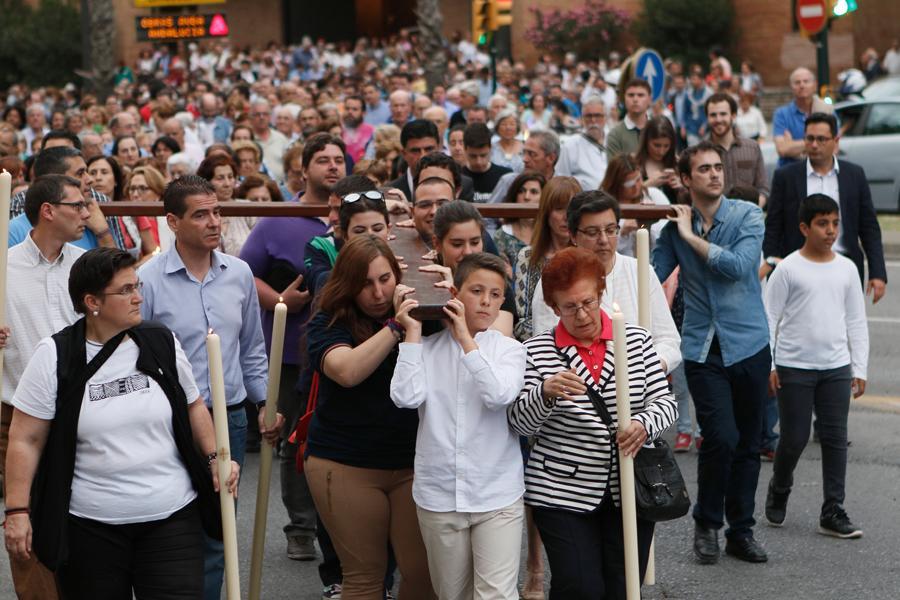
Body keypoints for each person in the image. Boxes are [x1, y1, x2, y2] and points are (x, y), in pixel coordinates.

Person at [4, 246, 238, 599]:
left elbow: (193, 407)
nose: (138, 298)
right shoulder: (55, 355)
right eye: (126, 290)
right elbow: (26, 439)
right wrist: (18, 510)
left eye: (137, 287)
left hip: (172, 517)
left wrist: (213, 459)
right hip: (90, 527)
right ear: (92, 301)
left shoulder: (160, 342)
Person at [507, 246, 676, 599]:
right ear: (554, 308)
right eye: (570, 307)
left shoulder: (636, 339)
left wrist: (643, 423)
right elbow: (520, 423)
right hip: (561, 489)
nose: (582, 314)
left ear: (601, 293)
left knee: (622, 586)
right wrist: (545, 393)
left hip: (631, 485)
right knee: (579, 587)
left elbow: (666, 404)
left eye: (588, 302)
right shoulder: (537, 351)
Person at [138, 176, 278, 599]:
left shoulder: (239, 273)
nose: (214, 222)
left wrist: (263, 403)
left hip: (228, 419)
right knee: (169, 529)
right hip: (170, 422)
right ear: (173, 222)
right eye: (201, 214)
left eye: (217, 212)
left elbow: (252, 348)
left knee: (219, 532)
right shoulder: (148, 280)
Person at [654, 141, 772, 565]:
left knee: (748, 444)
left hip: (749, 345)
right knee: (720, 438)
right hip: (703, 349)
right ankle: (707, 524)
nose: (714, 174)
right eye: (703, 169)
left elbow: (739, 267)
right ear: (686, 180)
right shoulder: (673, 229)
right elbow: (651, 277)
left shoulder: (747, 215)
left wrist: (690, 236)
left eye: (717, 167)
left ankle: (741, 531)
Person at [303, 235, 436, 600]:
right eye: (365, 284)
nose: (378, 293)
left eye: (384, 279)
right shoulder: (329, 320)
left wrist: (452, 289)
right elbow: (346, 371)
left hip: (413, 464)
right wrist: (395, 327)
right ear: (347, 285)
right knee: (365, 578)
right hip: (346, 462)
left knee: (425, 575)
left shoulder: (426, 314)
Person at [391, 252, 527, 600]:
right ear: (455, 293)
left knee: (496, 594)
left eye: (495, 295)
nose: (486, 301)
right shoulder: (427, 348)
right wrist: (413, 332)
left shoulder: (510, 350)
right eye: (477, 291)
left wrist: (467, 341)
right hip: (440, 496)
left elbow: (499, 394)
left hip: (496, 493)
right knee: (452, 595)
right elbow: (405, 397)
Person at [239, 134, 346, 562]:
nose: (333, 167)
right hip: (288, 351)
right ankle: (300, 527)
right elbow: (244, 273)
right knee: (290, 436)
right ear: (304, 170)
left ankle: (339, 527)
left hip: (346, 350)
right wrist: (278, 300)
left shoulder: (357, 218)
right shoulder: (276, 218)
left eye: (339, 159)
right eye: (323, 160)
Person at [0, 175, 89, 600]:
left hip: (84, 412)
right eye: (78, 205)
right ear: (48, 211)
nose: (87, 213)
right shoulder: (2, 266)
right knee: (24, 524)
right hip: (16, 413)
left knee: (87, 520)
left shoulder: (88, 265)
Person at [763, 194, 868, 539]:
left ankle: (833, 509)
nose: (830, 231)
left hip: (836, 367)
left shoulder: (847, 268)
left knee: (836, 438)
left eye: (835, 223)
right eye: (823, 224)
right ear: (805, 227)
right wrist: (771, 364)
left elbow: (856, 320)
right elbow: (769, 315)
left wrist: (859, 367)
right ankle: (780, 485)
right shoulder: (789, 268)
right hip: (795, 367)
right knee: (794, 438)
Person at [530, 190, 682, 372]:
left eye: (610, 230)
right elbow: (546, 349)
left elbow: (668, 340)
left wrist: (650, 367)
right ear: (572, 235)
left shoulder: (640, 272)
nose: (603, 240)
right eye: (592, 232)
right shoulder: (556, 279)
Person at [764, 112, 887, 302]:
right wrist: (773, 266)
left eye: (821, 139)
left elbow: (869, 226)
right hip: (799, 269)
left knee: (847, 328)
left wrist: (877, 272)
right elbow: (773, 225)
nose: (814, 145)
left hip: (845, 265)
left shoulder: (854, 175)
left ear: (835, 141)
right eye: (809, 138)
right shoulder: (786, 177)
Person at [8, 147, 125, 250]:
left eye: (86, 172)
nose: (90, 180)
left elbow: (117, 272)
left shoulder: (94, 221)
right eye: (80, 173)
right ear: (52, 179)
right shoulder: (14, 232)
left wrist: (103, 233)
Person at [430, 201, 516, 336]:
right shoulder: (426, 284)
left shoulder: (498, 284)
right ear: (437, 243)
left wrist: (455, 296)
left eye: (475, 242)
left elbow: (497, 342)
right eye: (457, 244)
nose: (468, 251)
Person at [513, 176, 580, 341]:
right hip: (541, 347)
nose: (566, 216)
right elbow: (521, 323)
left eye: (571, 209)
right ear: (546, 213)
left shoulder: (587, 257)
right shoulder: (528, 257)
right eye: (559, 209)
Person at [88, 155, 158, 260]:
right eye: (93, 173)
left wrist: (134, 268)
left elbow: (153, 252)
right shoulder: (82, 213)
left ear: (116, 180)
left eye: (104, 172)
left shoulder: (131, 211)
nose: (98, 177)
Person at [705, 93, 769, 206]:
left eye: (723, 114)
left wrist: (752, 213)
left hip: (748, 219)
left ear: (733, 116)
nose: (718, 119)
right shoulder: (700, 152)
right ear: (707, 118)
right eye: (713, 115)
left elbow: (763, 188)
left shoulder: (752, 148)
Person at [600, 154, 670, 258]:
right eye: (629, 184)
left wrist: (649, 224)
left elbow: (669, 232)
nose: (636, 186)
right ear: (616, 184)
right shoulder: (605, 206)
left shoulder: (653, 195)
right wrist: (623, 233)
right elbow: (603, 247)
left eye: (638, 179)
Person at [493, 171, 545, 281]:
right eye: (521, 191)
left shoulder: (549, 233)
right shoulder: (501, 235)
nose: (526, 197)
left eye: (534, 192)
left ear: (544, 197)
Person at [773, 67, 829, 167]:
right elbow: (782, 149)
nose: (802, 85)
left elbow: (832, 148)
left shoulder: (827, 111)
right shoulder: (781, 114)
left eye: (806, 81)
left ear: (815, 85)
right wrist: (819, 141)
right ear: (791, 87)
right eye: (797, 82)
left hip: (819, 172)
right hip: (789, 173)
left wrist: (792, 145)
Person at [555, 96, 609, 191]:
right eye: (588, 116)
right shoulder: (570, 145)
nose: (593, 120)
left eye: (597, 115)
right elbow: (559, 181)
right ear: (582, 118)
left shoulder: (614, 141)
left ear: (605, 117)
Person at [388, 120, 440, 202]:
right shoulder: (390, 194)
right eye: (415, 150)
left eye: (429, 149)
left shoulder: (463, 187)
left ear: (439, 149)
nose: (423, 156)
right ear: (404, 154)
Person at [635, 116, 682, 204]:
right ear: (646, 141)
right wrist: (647, 185)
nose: (661, 151)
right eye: (657, 145)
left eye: (666, 146)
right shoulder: (634, 164)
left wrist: (682, 186)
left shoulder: (678, 163)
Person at [462, 122, 512, 203]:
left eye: (483, 155)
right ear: (465, 149)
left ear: (490, 148)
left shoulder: (505, 177)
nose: (479, 162)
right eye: (473, 156)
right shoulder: (458, 177)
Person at [606, 79, 651, 158]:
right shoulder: (615, 134)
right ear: (624, 98)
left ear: (649, 99)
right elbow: (613, 168)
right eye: (631, 95)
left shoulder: (658, 129)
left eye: (640, 95)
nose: (635, 99)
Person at [248, 99, 289, 181]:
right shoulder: (247, 138)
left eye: (265, 114)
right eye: (257, 114)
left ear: (270, 117)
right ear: (251, 117)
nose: (261, 117)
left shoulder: (281, 138)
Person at [342, 94, 375, 163]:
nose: (350, 112)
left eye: (355, 109)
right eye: (347, 108)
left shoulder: (372, 132)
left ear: (364, 113)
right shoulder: (338, 130)